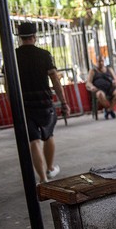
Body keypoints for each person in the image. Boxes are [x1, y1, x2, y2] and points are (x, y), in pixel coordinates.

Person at [15, 22, 71, 183]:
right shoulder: (44, 55)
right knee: (48, 136)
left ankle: (43, 178)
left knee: (34, 141)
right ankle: (50, 168)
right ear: (34, 37)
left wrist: (13, 102)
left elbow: (7, 84)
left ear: (20, 38)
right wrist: (64, 102)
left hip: (24, 105)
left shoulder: (13, 56)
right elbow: (55, 80)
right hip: (44, 103)